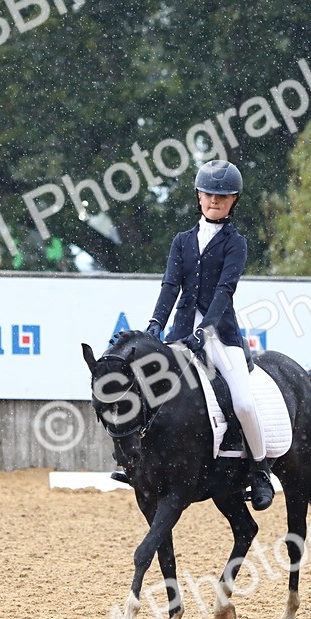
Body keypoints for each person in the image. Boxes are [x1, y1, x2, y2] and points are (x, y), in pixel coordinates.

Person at [111, 159, 274, 511]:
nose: (215, 201)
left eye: (223, 196)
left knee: (243, 402)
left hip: (221, 335)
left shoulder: (236, 243)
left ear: (233, 200)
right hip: (182, 332)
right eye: (209, 194)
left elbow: (225, 290)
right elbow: (171, 285)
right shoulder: (182, 241)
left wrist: (206, 330)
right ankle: (139, 463)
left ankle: (260, 470)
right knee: (148, 390)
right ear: (199, 196)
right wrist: (156, 324)